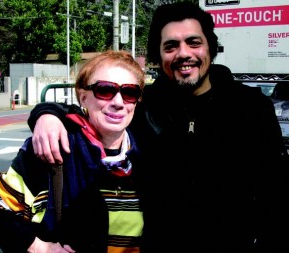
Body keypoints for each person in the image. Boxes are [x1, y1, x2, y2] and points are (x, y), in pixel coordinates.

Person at [27, 2, 289, 252]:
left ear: (211, 47)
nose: (184, 53)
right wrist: (47, 114)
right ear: (159, 54)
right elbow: (97, 111)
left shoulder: (250, 107)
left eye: (194, 42)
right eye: (171, 46)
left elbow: (278, 195)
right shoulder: (143, 105)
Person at [0, 50, 145, 253]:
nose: (118, 102)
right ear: (83, 97)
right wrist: (40, 248)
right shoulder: (52, 148)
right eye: (105, 90)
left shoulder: (149, 151)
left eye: (129, 93)